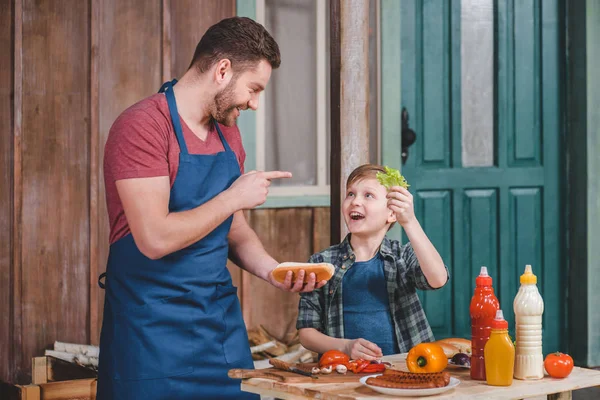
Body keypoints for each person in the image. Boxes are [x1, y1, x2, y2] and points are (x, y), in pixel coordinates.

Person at [97, 17, 326, 400]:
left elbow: (232, 229)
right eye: (253, 88)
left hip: (217, 330)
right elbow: (154, 237)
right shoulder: (142, 127)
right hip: (148, 333)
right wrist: (234, 195)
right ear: (222, 70)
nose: (254, 103)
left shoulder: (228, 134)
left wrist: (274, 271)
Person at [296, 164, 449, 360]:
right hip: (346, 372)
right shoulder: (321, 263)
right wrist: (345, 347)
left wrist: (410, 221)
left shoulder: (402, 256)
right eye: (350, 194)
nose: (355, 201)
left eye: (368, 195)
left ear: (391, 213)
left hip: (409, 369)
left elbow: (438, 279)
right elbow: (306, 333)